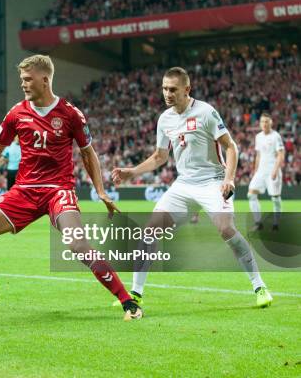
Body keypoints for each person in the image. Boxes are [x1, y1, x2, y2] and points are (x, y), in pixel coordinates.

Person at [0, 55, 143, 321]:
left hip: (58, 190)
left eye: (27, 79)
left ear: (44, 80)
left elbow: (87, 153)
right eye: (22, 79)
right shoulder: (17, 112)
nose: (23, 84)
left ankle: (128, 302)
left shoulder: (70, 113)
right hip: (24, 190)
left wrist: (101, 190)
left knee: (78, 244)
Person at [112, 67, 273, 308]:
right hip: (184, 185)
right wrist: (132, 172)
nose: (167, 93)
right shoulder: (165, 119)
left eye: (173, 89)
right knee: (149, 231)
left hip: (213, 182)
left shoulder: (206, 112)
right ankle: (135, 293)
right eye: (165, 88)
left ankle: (260, 287)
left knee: (226, 229)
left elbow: (231, 147)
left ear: (187, 89)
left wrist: (229, 179)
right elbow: (159, 156)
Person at [248, 113, 285, 231]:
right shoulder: (258, 136)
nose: (264, 124)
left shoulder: (276, 136)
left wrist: (275, 170)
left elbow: (281, 154)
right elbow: (258, 155)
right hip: (260, 171)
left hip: (272, 170)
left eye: (267, 121)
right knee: (251, 194)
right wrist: (255, 171)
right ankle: (258, 223)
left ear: (271, 123)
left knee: (275, 198)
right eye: (262, 121)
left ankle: (276, 223)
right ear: (260, 123)